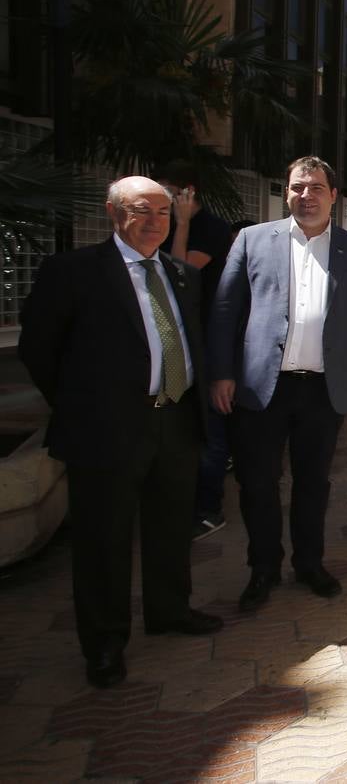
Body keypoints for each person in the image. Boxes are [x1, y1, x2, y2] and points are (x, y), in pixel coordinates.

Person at [19, 176, 223, 688]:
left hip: (175, 419)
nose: (154, 221)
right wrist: (81, 408)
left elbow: (189, 339)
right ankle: (105, 642)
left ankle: (170, 609)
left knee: (171, 526)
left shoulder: (180, 273)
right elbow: (39, 350)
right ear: (114, 214)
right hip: (107, 431)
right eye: (141, 211)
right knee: (103, 540)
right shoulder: (73, 272)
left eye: (162, 212)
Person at [209, 156, 347, 612]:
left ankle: (309, 563)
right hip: (261, 387)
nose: (306, 197)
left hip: (323, 390)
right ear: (286, 192)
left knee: (313, 483)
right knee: (258, 484)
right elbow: (225, 310)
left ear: (333, 195)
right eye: (297, 188)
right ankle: (262, 568)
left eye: (316, 188)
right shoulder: (252, 240)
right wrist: (222, 372)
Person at [158, 163, 235, 540]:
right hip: (175, 346)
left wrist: (183, 224)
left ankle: (208, 508)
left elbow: (179, 275)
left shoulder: (211, 229)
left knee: (211, 431)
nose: (163, 205)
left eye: (168, 194)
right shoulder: (165, 227)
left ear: (188, 193)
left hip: (207, 346)